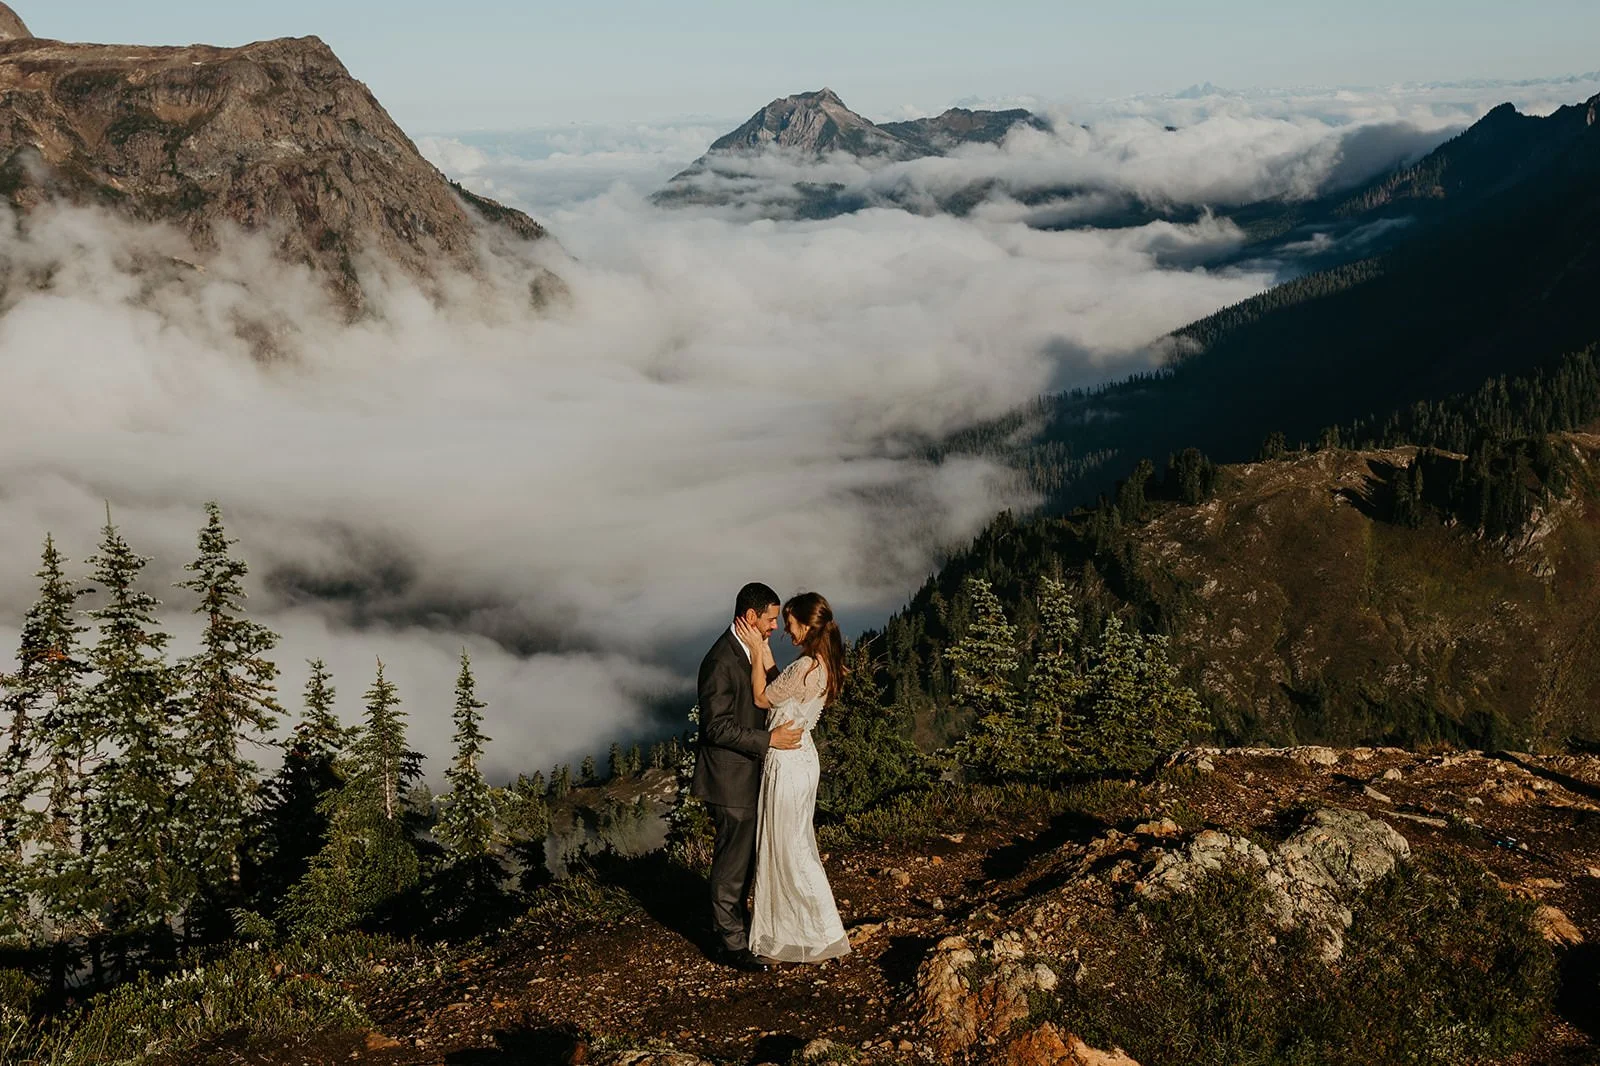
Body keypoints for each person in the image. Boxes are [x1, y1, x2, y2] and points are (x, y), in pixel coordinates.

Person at [690, 582, 803, 972]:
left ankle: (739, 932)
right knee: (732, 862)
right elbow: (715, 728)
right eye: (771, 619)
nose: (775, 626)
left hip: (749, 775)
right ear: (751, 616)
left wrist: (764, 653)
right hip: (729, 779)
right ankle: (730, 945)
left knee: (746, 858)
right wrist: (768, 739)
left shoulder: (747, 649)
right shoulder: (720, 660)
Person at [735, 591, 851, 964]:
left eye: (789, 623)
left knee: (786, 848)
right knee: (796, 844)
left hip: (785, 763)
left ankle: (815, 931)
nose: (785, 630)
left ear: (805, 623)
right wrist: (764, 652)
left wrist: (754, 648)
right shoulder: (822, 665)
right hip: (803, 759)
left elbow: (762, 697)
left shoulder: (804, 668)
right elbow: (779, 688)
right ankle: (803, 929)